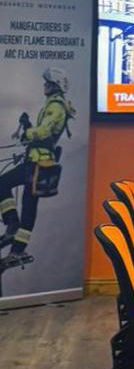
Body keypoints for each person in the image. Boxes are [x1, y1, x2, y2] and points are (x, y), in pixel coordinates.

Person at [0, 68, 75, 268]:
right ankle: (18, 249)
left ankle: (12, 225)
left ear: (54, 85)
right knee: (29, 207)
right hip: (40, 162)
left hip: (37, 162)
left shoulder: (56, 106)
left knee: (3, 184)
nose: (44, 85)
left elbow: (44, 131)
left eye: (47, 83)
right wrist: (28, 125)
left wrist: (27, 133)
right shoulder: (54, 105)